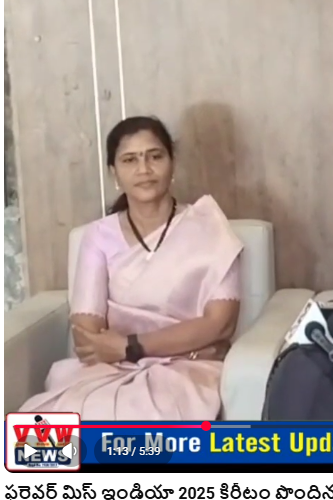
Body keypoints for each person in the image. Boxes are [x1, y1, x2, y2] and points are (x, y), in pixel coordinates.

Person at [20, 116, 244, 420]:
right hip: (108, 370)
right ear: (115, 172)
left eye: (155, 156)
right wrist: (173, 344)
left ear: (172, 164)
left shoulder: (210, 228)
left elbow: (220, 325)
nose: (144, 169)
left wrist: (131, 346)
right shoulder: (98, 236)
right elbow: (87, 337)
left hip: (187, 371)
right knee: (37, 432)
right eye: (130, 160)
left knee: (139, 419)